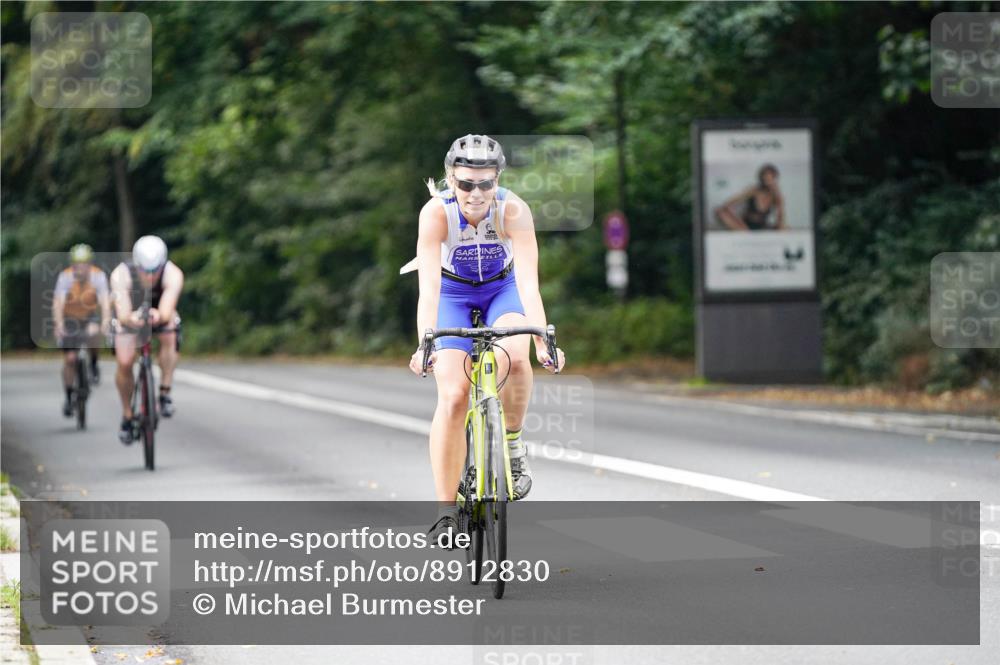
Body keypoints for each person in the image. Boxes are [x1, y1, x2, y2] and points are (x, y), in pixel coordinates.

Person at [406, 134, 566, 547]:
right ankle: (445, 511)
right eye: (465, 184)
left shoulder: (514, 210)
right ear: (450, 180)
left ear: (497, 180)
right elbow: (429, 289)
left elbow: (529, 284)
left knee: (516, 354)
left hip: (502, 290)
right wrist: (426, 342)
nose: (475, 193)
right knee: (455, 395)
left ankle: (511, 444)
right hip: (452, 295)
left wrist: (543, 338)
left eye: (485, 183)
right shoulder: (435, 214)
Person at [109, 235, 184, 444]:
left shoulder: (173, 273)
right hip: (129, 312)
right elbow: (123, 313)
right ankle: (127, 415)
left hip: (158, 310)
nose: (150, 276)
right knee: (124, 362)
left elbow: (167, 310)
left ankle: (165, 391)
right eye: (145, 271)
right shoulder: (121, 274)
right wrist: (131, 319)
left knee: (171, 332)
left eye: (155, 271)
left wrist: (159, 316)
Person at [52, 244, 111, 416]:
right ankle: (69, 396)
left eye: (84, 265)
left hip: (88, 315)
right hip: (70, 317)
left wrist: (106, 321)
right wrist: (59, 324)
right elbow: (58, 303)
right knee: (70, 359)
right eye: (77, 265)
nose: (80, 269)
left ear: (89, 264)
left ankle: (93, 364)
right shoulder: (65, 277)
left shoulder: (98, 276)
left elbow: (105, 302)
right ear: (73, 265)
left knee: (93, 333)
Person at [714, 163, 786, 231]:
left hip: (762, 226)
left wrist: (778, 195)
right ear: (761, 178)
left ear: (774, 179)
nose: (767, 180)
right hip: (745, 226)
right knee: (720, 211)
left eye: (770, 178)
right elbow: (732, 201)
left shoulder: (776, 195)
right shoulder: (753, 190)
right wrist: (736, 218)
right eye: (765, 178)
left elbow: (780, 217)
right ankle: (744, 232)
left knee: (784, 228)